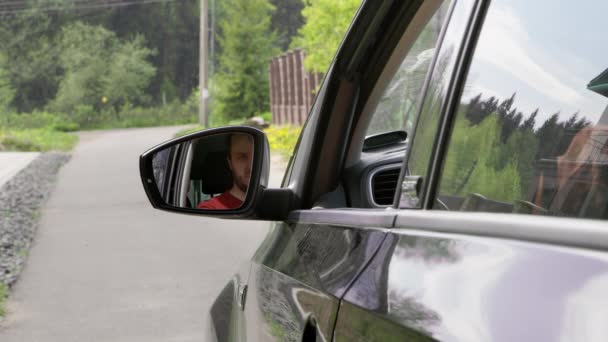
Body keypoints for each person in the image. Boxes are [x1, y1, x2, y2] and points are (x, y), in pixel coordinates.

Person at [197, 133, 253, 210]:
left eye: (256, 157)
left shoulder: (271, 203)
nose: (250, 167)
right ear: (230, 163)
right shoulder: (210, 208)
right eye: (242, 157)